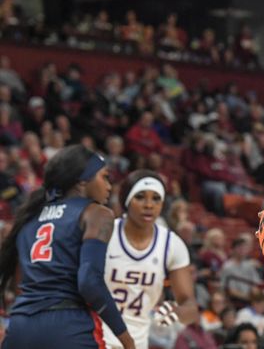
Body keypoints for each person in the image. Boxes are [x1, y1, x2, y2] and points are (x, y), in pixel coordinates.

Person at [0, 145, 135, 349]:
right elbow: (89, 281)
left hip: (20, 326)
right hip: (68, 326)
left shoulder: (28, 218)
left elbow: (17, 285)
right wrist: (127, 339)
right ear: (82, 181)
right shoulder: (97, 213)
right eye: (104, 177)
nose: (109, 186)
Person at [102, 170, 198, 348]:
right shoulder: (105, 233)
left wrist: (177, 312)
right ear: (127, 201)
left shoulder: (172, 244)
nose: (149, 205)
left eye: (156, 199)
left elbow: (190, 306)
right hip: (96, 336)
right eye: (140, 197)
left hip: (136, 341)